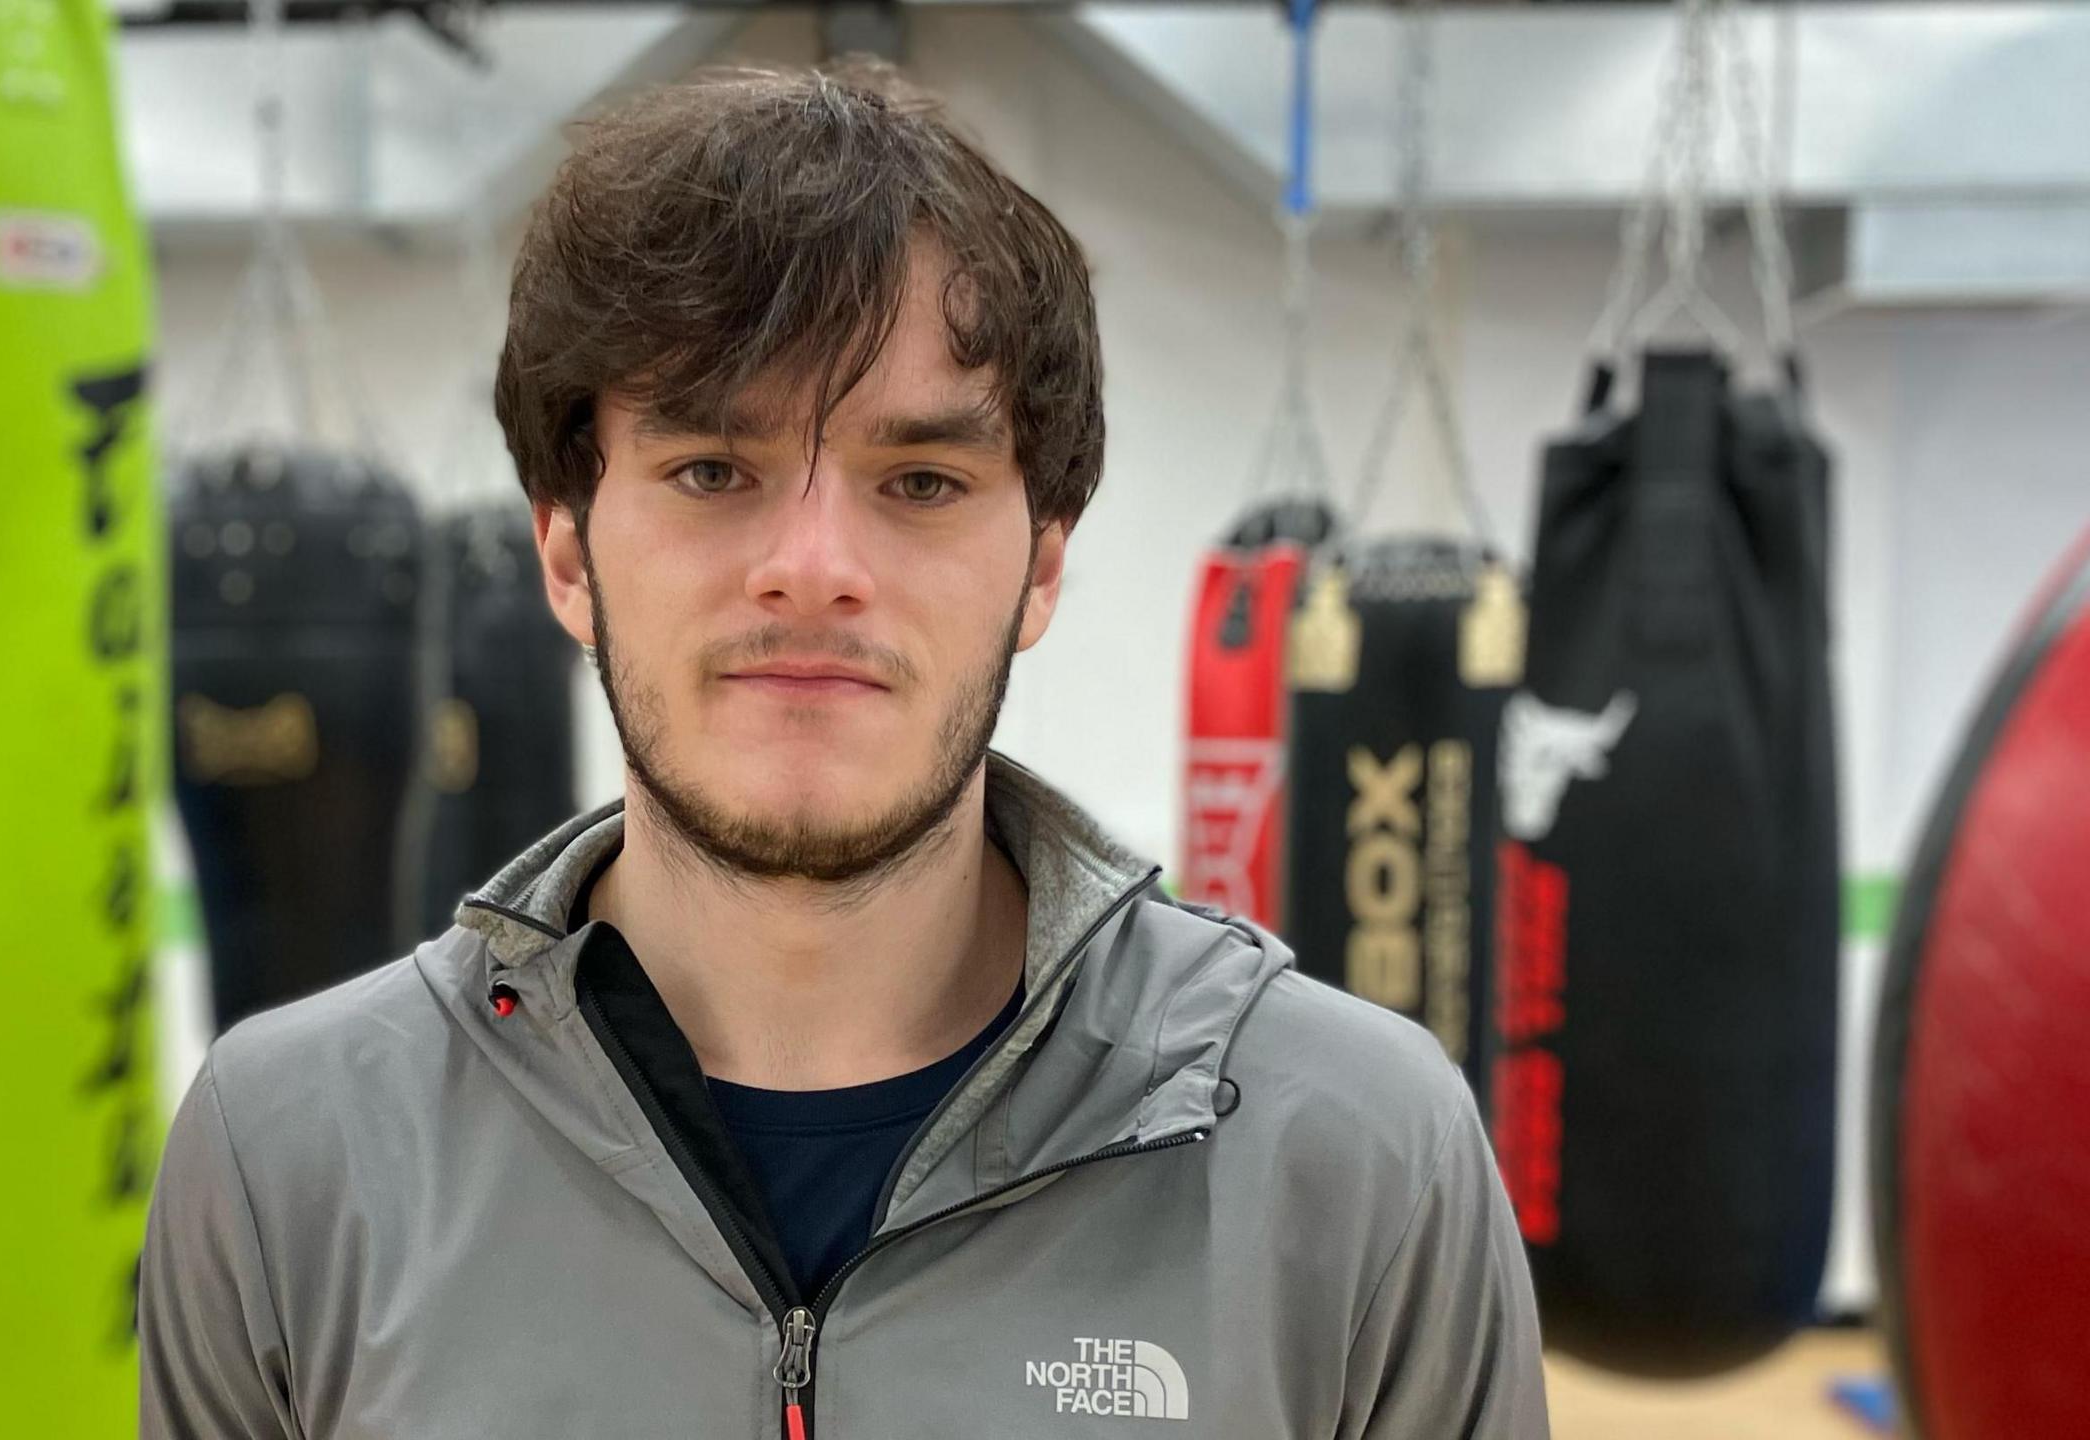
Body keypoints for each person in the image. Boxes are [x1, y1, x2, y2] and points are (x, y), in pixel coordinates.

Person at [139, 59, 1547, 1439]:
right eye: (711, 471)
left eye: (920, 480)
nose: (813, 568)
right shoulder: (288, 1158)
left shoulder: (1355, 1150)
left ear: (1042, 564)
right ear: (565, 550)